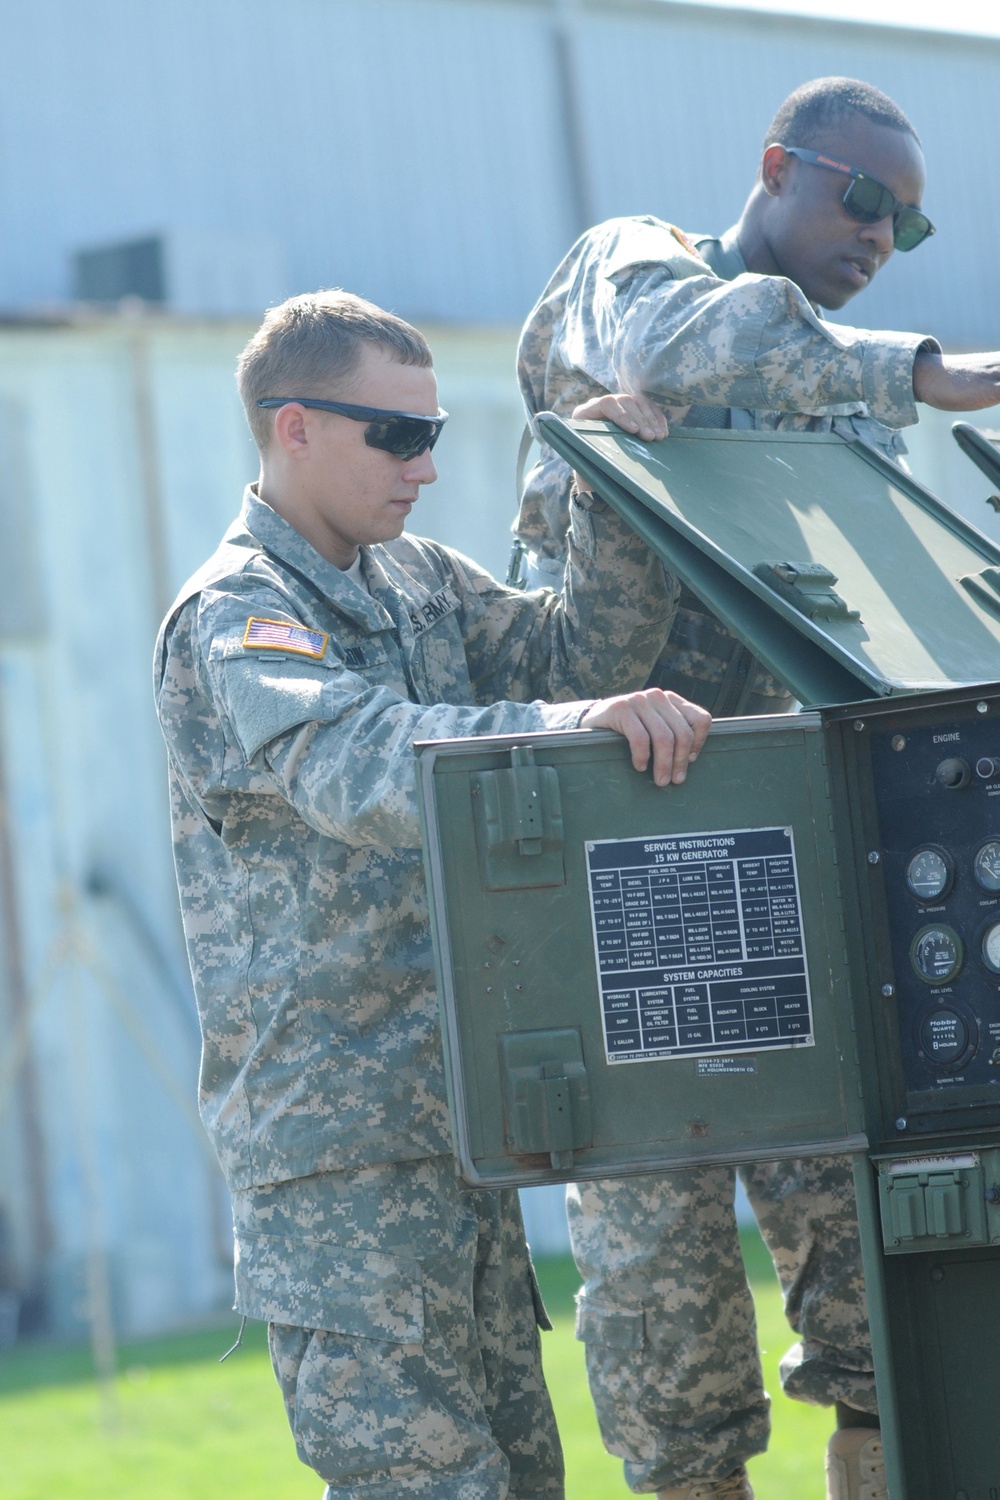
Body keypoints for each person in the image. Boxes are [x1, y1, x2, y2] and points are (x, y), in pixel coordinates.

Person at [513, 76, 1000, 1500]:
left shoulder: (833, 417)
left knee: (875, 1318)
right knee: (675, 1367)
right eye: (863, 200)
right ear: (779, 170)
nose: (878, 239)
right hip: (625, 882)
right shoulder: (634, 271)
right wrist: (913, 367)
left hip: (794, 884)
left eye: (908, 227)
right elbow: (685, 338)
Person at [153, 288, 711, 1500]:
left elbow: (579, 661)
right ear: (293, 427)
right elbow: (356, 764)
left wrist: (596, 484)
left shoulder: (416, 582)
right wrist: (566, 725)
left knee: (518, 1482)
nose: (425, 469)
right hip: (340, 1152)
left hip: (460, 1120)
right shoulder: (241, 612)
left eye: (435, 435)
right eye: (396, 438)